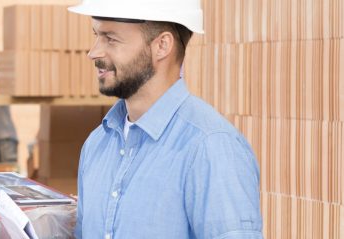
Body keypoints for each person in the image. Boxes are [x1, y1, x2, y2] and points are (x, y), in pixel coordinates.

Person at [68, 0, 263, 238]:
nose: (94, 52)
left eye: (111, 39)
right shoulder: (97, 145)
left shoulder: (210, 147)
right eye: (96, 35)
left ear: (162, 45)